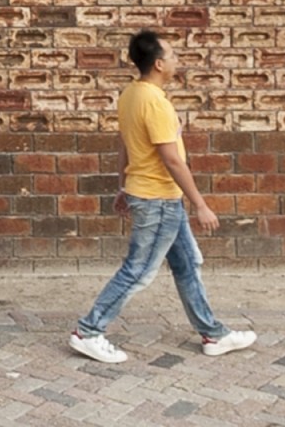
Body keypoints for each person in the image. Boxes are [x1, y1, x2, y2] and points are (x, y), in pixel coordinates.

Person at [68, 29, 257, 365]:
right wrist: (200, 204)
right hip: (158, 200)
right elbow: (172, 159)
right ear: (158, 64)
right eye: (172, 55)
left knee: (186, 264)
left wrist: (123, 185)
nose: (176, 60)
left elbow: (126, 144)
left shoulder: (131, 95)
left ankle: (213, 334)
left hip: (156, 196)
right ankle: (89, 331)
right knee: (138, 271)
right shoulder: (155, 102)